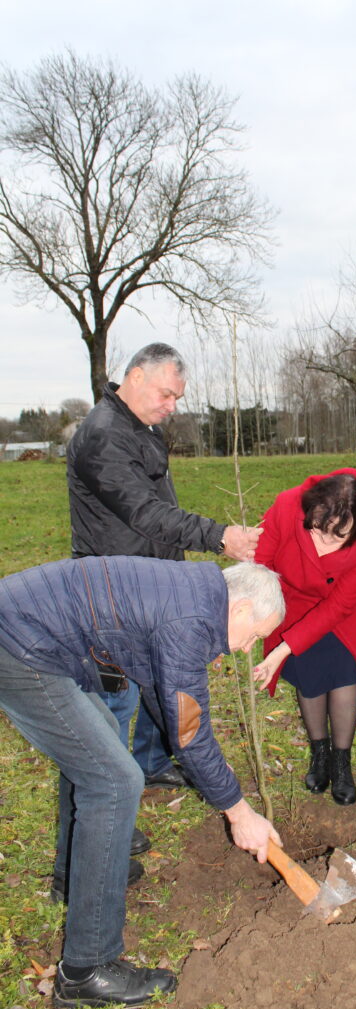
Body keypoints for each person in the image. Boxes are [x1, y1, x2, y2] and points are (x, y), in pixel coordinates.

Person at [0, 556, 284, 1009]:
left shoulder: (192, 594)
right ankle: (87, 970)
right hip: (20, 646)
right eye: (254, 635)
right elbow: (190, 729)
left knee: (101, 744)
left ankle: (73, 879)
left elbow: (164, 696)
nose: (248, 648)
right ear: (241, 608)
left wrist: (215, 775)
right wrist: (238, 812)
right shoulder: (190, 621)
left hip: (27, 631)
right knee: (114, 781)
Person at [67, 343, 260, 818]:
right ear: (135, 376)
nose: (172, 406)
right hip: (111, 592)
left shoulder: (142, 427)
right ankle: (107, 806)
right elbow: (145, 513)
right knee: (115, 700)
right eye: (166, 394)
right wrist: (219, 537)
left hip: (153, 579)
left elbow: (162, 507)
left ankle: (151, 763)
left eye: (177, 397)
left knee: (161, 675)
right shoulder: (104, 436)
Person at [253, 469, 356, 805]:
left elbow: (339, 605)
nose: (323, 543)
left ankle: (341, 762)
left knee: (342, 669)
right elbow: (261, 565)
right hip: (295, 599)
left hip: (351, 607)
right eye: (317, 529)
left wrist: (282, 650)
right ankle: (320, 752)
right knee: (308, 667)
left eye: (338, 537)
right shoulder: (286, 506)